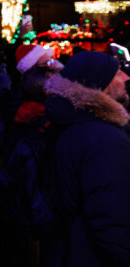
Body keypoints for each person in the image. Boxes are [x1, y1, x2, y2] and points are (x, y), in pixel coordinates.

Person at [41, 51, 130, 267]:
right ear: (101, 85)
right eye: (118, 73)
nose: (126, 77)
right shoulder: (104, 139)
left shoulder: (75, 125)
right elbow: (112, 219)